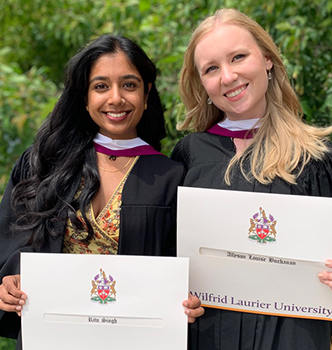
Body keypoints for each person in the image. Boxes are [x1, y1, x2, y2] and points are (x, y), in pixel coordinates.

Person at [0, 34, 203, 348]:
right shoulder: (45, 163)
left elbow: (186, 270)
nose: (116, 98)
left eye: (129, 85)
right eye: (101, 86)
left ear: (147, 94)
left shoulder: (170, 177)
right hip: (52, 337)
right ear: (84, 96)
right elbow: (12, 238)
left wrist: (189, 300)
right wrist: (10, 280)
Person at [171, 8, 332, 350]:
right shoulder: (189, 156)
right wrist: (176, 297)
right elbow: (165, 261)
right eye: (211, 69)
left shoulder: (315, 157)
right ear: (202, 84)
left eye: (238, 57)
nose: (228, 76)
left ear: (267, 59)